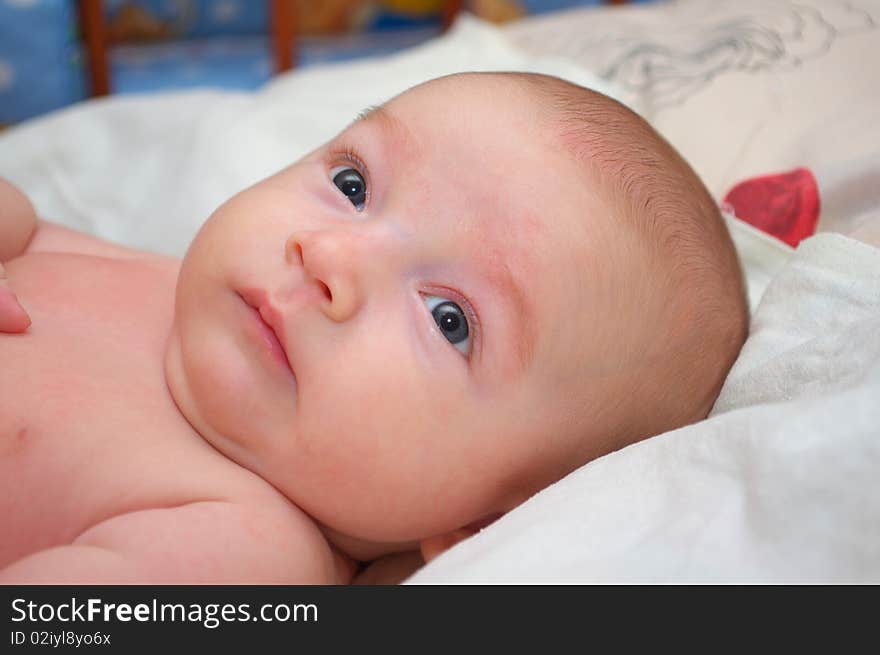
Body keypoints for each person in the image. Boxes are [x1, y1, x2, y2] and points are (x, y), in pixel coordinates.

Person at [0, 72, 748, 584]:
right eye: (352, 185)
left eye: (448, 317)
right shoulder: (166, 279)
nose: (328, 257)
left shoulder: (244, 551)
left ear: (485, 523)